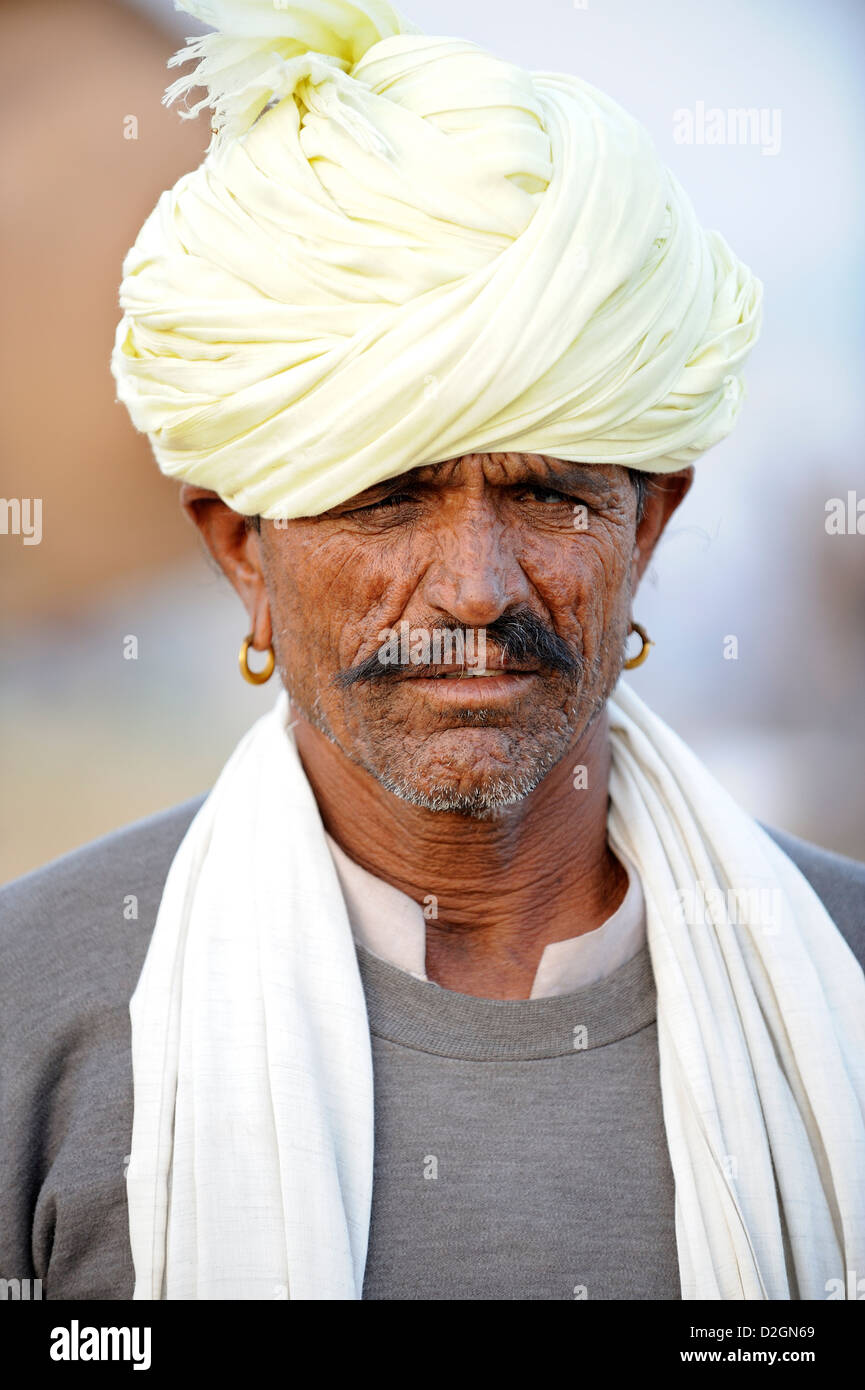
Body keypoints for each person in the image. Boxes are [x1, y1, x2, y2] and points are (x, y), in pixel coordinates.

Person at [1, 0, 863, 1303]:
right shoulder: (31, 1013)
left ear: (651, 521)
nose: (472, 590)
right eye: (387, 497)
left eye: (547, 495)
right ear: (241, 548)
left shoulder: (838, 977)